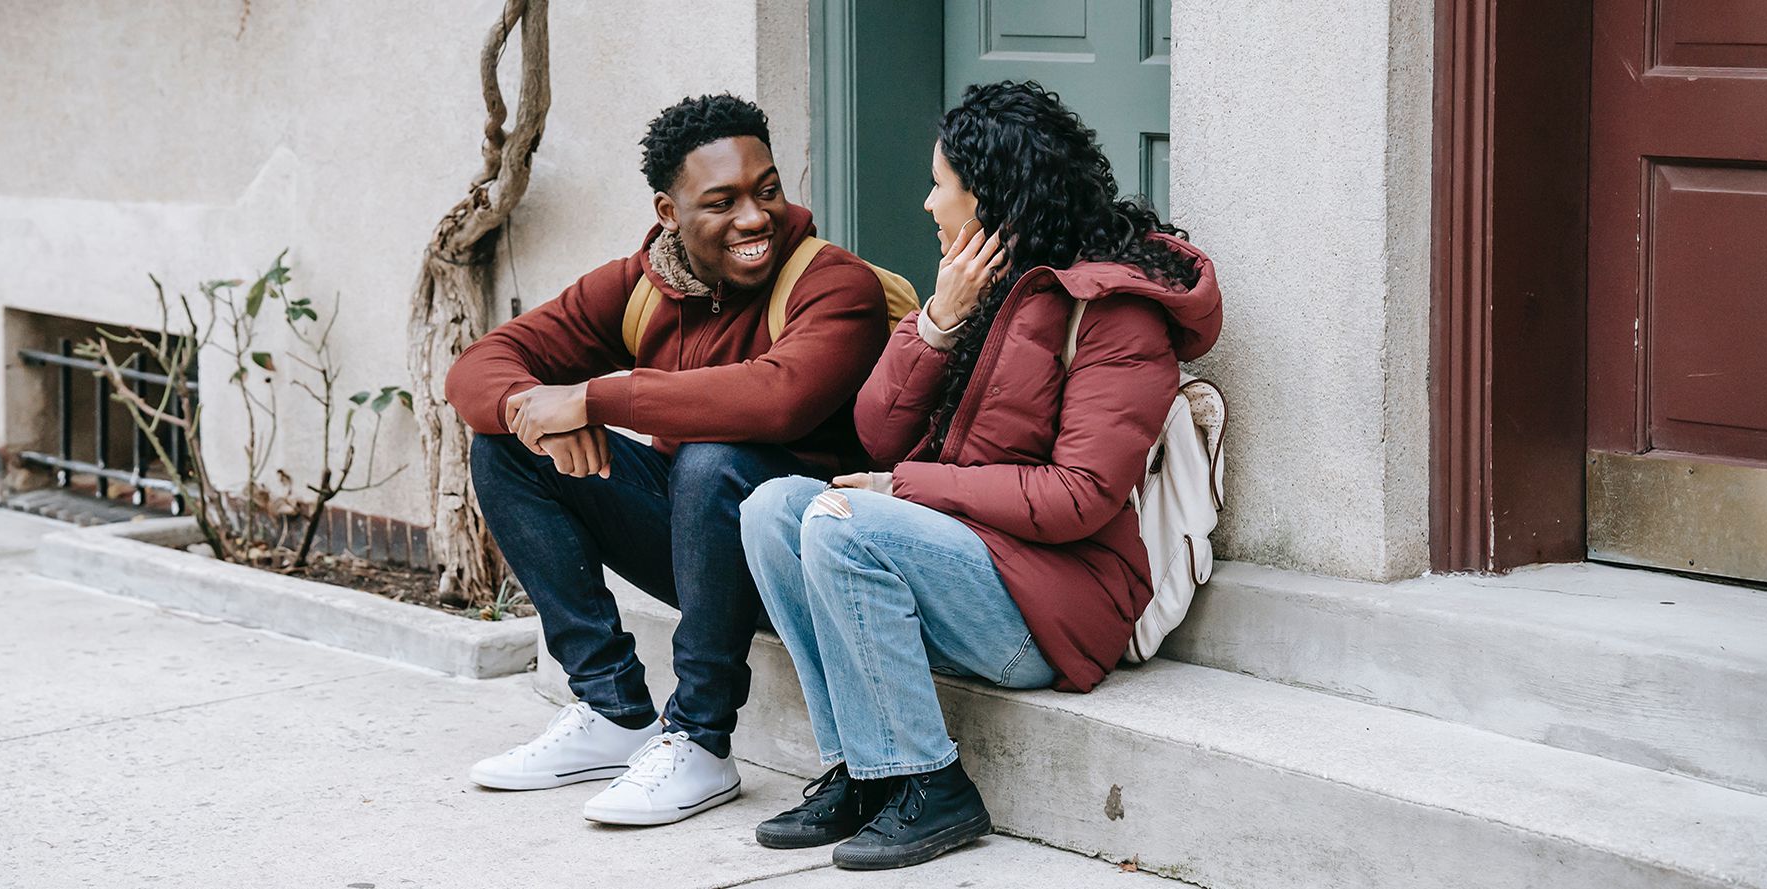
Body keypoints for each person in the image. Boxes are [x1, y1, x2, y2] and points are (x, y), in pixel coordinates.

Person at [738, 81, 1223, 870]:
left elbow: (1079, 496)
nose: (928, 204)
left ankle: (930, 783)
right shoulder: (981, 293)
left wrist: (910, 490)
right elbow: (878, 431)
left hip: (1054, 607)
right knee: (770, 510)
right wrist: (936, 322)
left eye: (942, 186)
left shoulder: (1112, 314)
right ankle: (864, 770)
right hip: (967, 564)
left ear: (992, 200)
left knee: (839, 520)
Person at [444, 94, 892, 826]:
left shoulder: (835, 285)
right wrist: (540, 417)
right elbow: (481, 366)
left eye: (767, 190)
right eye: (722, 201)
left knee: (714, 458)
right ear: (668, 211)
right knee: (505, 443)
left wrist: (594, 397)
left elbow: (776, 401)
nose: (755, 217)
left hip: (804, 562)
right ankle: (613, 707)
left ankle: (701, 739)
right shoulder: (645, 287)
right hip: (700, 545)